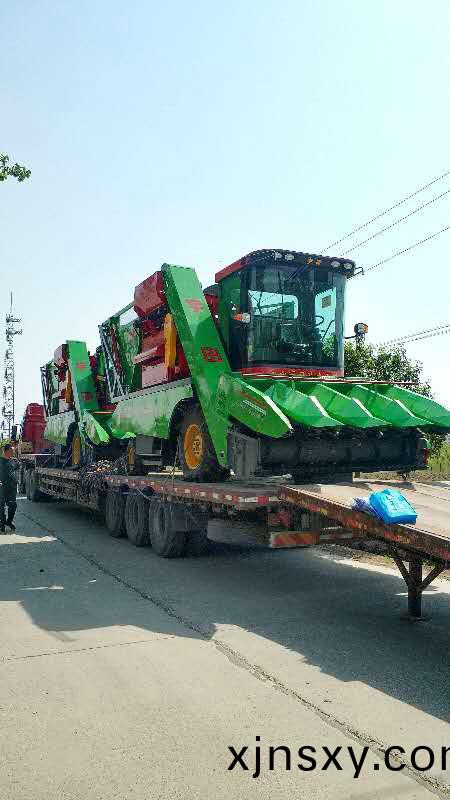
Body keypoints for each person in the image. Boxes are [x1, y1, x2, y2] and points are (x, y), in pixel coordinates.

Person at [0, 443, 17, 533]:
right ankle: (2, 525)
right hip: (2, 487)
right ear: (6, 451)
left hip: (12, 488)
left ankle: (9, 522)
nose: (13, 452)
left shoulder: (13, 461)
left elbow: (16, 468)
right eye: (12, 451)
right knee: (1, 507)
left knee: (13, 505)